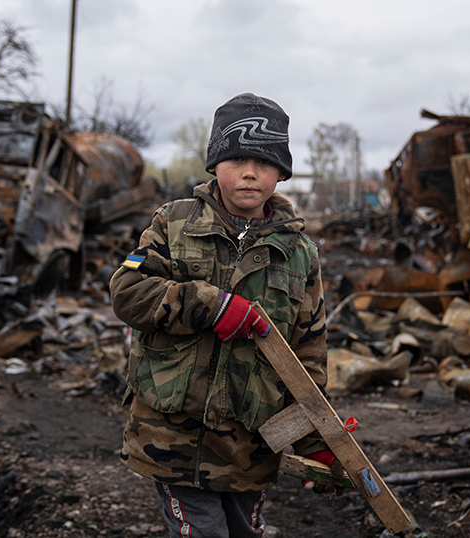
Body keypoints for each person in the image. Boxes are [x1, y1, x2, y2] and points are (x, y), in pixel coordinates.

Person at [110, 93, 340, 538]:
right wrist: (209, 306)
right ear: (215, 164)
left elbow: (307, 356)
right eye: (236, 159)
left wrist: (317, 443)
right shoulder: (172, 224)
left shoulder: (299, 254)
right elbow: (127, 291)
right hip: (172, 440)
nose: (250, 172)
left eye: (264, 161)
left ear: (281, 172)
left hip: (248, 450)